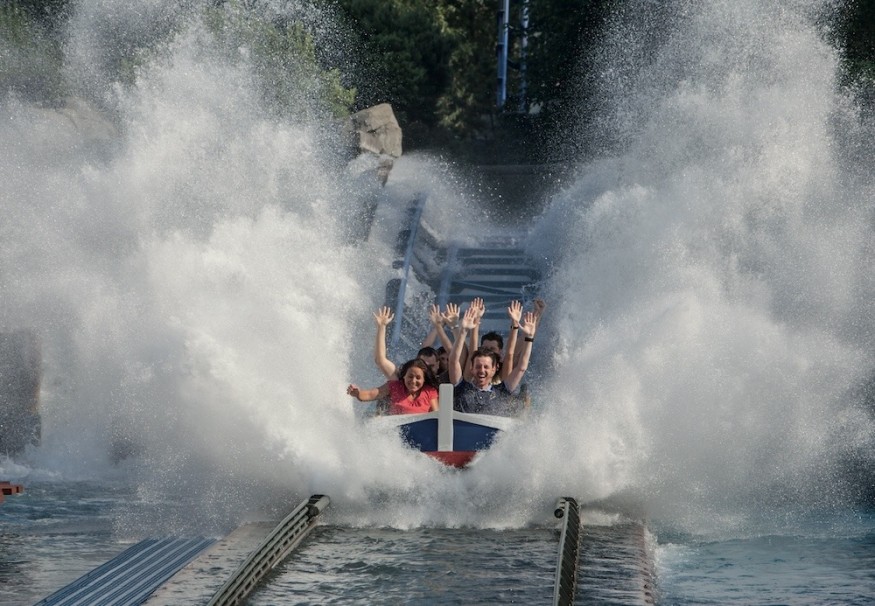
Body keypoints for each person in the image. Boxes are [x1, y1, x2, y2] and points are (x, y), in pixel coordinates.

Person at [448, 305, 537, 416]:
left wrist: (529, 338)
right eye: (478, 366)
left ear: (494, 369)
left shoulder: (503, 390)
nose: (482, 370)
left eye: (486, 367)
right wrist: (463, 331)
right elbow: (453, 361)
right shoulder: (462, 388)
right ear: (471, 368)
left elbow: (521, 368)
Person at [347, 358, 439, 415]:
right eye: (410, 376)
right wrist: (358, 393)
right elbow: (371, 394)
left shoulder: (430, 391)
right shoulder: (394, 386)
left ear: (424, 380)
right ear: (404, 376)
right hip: (396, 431)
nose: (413, 381)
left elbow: (436, 416)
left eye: (418, 378)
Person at [372, 306, 440, 379]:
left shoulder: (441, 380)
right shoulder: (403, 379)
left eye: (431, 366)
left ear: (438, 365)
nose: (428, 370)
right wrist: (382, 326)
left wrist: (439, 326)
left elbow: (427, 347)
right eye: (423, 366)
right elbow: (380, 360)